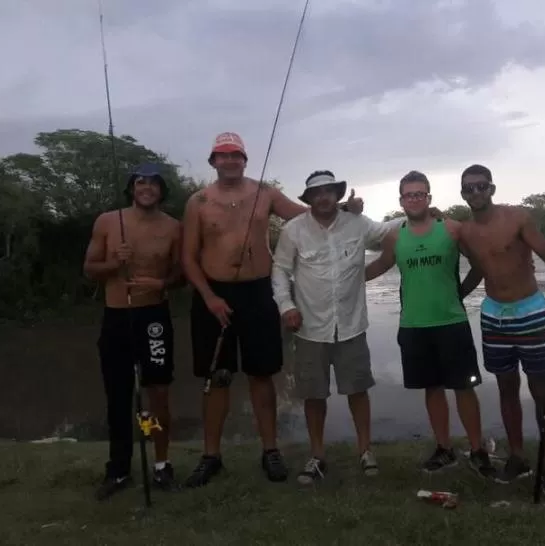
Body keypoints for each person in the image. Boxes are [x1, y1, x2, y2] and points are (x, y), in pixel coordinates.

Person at [181, 133, 364, 487]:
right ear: (213, 161)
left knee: (262, 375)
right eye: (223, 155)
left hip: (258, 291)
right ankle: (211, 455)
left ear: (245, 160)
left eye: (236, 155)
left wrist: (346, 209)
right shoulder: (198, 201)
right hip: (214, 295)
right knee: (216, 376)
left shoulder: (265, 193)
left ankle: (270, 450)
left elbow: (311, 215)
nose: (230, 161)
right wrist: (208, 296)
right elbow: (187, 257)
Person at [363, 170, 496, 479]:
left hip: (452, 322)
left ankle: (477, 450)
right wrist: (343, 279)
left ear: (429, 197)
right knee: (432, 389)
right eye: (409, 195)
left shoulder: (451, 229)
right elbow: (380, 265)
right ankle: (444, 448)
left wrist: (460, 292)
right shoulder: (396, 236)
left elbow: (479, 264)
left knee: (464, 387)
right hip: (413, 326)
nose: (414, 199)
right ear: (401, 201)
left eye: (420, 194)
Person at [271, 170, 401, 485]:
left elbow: (389, 232)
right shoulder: (293, 230)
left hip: (352, 326)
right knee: (314, 395)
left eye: (329, 191)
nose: (324, 197)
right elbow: (280, 271)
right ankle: (317, 455)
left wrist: (424, 215)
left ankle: (365, 450)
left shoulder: (358, 223)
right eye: (317, 192)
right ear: (309, 198)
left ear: (338, 194)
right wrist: (286, 307)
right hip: (309, 328)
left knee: (358, 390)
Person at [455, 163, 545, 497]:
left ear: (492, 188)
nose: (476, 192)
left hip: (530, 311)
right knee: (506, 389)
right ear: (463, 194)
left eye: (482, 186)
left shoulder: (518, 218)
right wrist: (456, 297)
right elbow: (479, 270)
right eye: (469, 188)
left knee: (541, 391)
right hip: (493, 315)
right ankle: (518, 458)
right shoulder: (464, 232)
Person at [82, 163, 184, 500]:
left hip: (154, 317)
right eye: (141, 182)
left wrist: (162, 282)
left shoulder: (173, 227)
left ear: (161, 191)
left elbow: (181, 276)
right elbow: (90, 269)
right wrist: (114, 262)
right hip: (116, 316)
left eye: (154, 184)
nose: (147, 188)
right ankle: (119, 468)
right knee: (118, 395)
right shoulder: (108, 221)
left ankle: (162, 463)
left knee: (158, 393)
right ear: (132, 188)